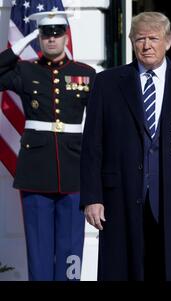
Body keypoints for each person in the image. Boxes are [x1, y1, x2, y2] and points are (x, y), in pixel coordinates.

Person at [80, 11, 171, 281]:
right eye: (140, 38)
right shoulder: (107, 83)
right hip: (120, 199)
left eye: (153, 38)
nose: (147, 45)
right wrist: (92, 197)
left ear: (168, 41)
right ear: (131, 41)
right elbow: (92, 144)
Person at [0, 11, 96, 281]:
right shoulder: (24, 70)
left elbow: (101, 121)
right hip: (36, 171)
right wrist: (21, 43)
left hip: (74, 169)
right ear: (39, 38)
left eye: (56, 33)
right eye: (45, 34)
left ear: (66, 36)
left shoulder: (85, 74)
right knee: (39, 248)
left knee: (71, 246)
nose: (51, 39)